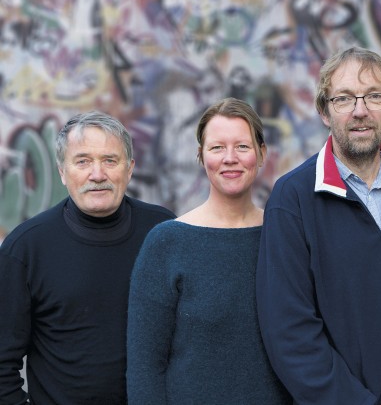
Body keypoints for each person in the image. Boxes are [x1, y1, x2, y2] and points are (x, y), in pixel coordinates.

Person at [256, 46, 381, 405]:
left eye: (374, 96)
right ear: (324, 111)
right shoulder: (293, 199)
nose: (360, 111)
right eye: (344, 98)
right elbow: (289, 330)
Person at [0, 111, 175, 404]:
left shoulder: (164, 232)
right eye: (82, 161)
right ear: (62, 172)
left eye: (110, 160)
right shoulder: (26, 248)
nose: (97, 174)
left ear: (129, 169)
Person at [126, 97, 291, 404]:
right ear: (201, 156)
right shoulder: (167, 243)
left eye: (242, 146)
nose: (230, 158)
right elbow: (145, 368)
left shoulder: (286, 237)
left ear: (261, 154)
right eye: (217, 148)